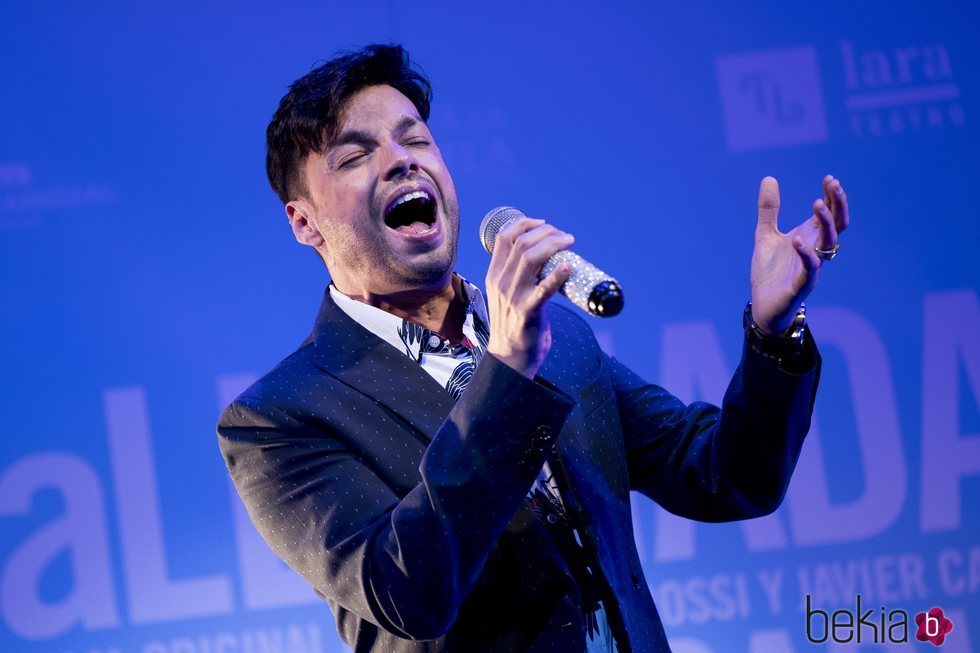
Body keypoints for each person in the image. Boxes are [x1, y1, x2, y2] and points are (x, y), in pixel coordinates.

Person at [217, 44, 849, 653]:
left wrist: (774, 330)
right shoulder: (279, 419)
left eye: (415, 140)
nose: (400, 161)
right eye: (355, 156)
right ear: (304, 222)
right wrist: (507, 373)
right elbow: (409, 591)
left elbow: (724, 477)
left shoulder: (558, 336)